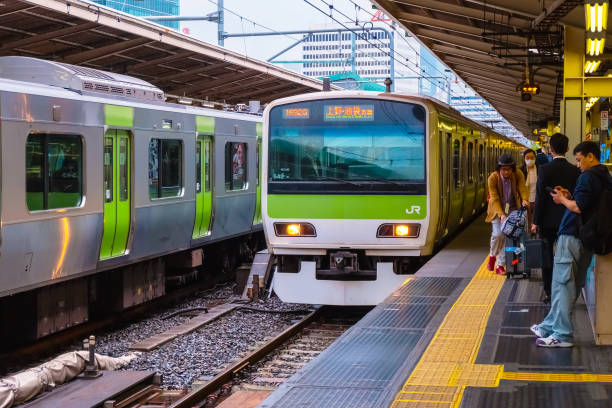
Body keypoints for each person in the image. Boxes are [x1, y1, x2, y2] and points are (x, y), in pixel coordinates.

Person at [531, 141, 611, 347]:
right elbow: (588, 204)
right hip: (586, 238)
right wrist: (568, 195)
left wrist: (562, 200)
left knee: (562, 285)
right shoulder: (605, 177)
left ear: (590, 157)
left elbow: (578, 207)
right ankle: (549, 325)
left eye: (579, 159)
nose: (578, 165)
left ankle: (562, 334)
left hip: (573, 236)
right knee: (570, 284)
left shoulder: (588, 177)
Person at [531, 133, 580, 303]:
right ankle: (565, 292)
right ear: (567, 149)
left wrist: (535, 221)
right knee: (566, 258)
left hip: (547, 221)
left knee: (547, 257)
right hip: (568, 221)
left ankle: (549, 292)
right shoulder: (575, 170)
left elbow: (540, 198)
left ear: (550, 149)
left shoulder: (544, 169)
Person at [486, 154, 529, 275]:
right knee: (498, 234)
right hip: (496, 209)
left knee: (507, 236)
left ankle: (500, 265)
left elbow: (522, 188)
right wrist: (501, 215)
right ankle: (492, 256)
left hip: (512, 209)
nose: (506, 172)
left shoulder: (518, 174)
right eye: (503, 169)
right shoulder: (493, 178)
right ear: (499, 168)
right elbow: (493, 198)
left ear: (513, 168)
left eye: (509, 169)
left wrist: (525, 199)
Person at [521, 149, 538, 234]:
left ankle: (534, 240)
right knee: (525, 223)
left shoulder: (540, 169)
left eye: (532, 157)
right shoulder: (521, 171)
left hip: (536, 200)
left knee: (535, 223)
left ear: (535, 158)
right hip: (525, 201)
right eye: (527, 157)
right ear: (524, 158)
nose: (530, 160)